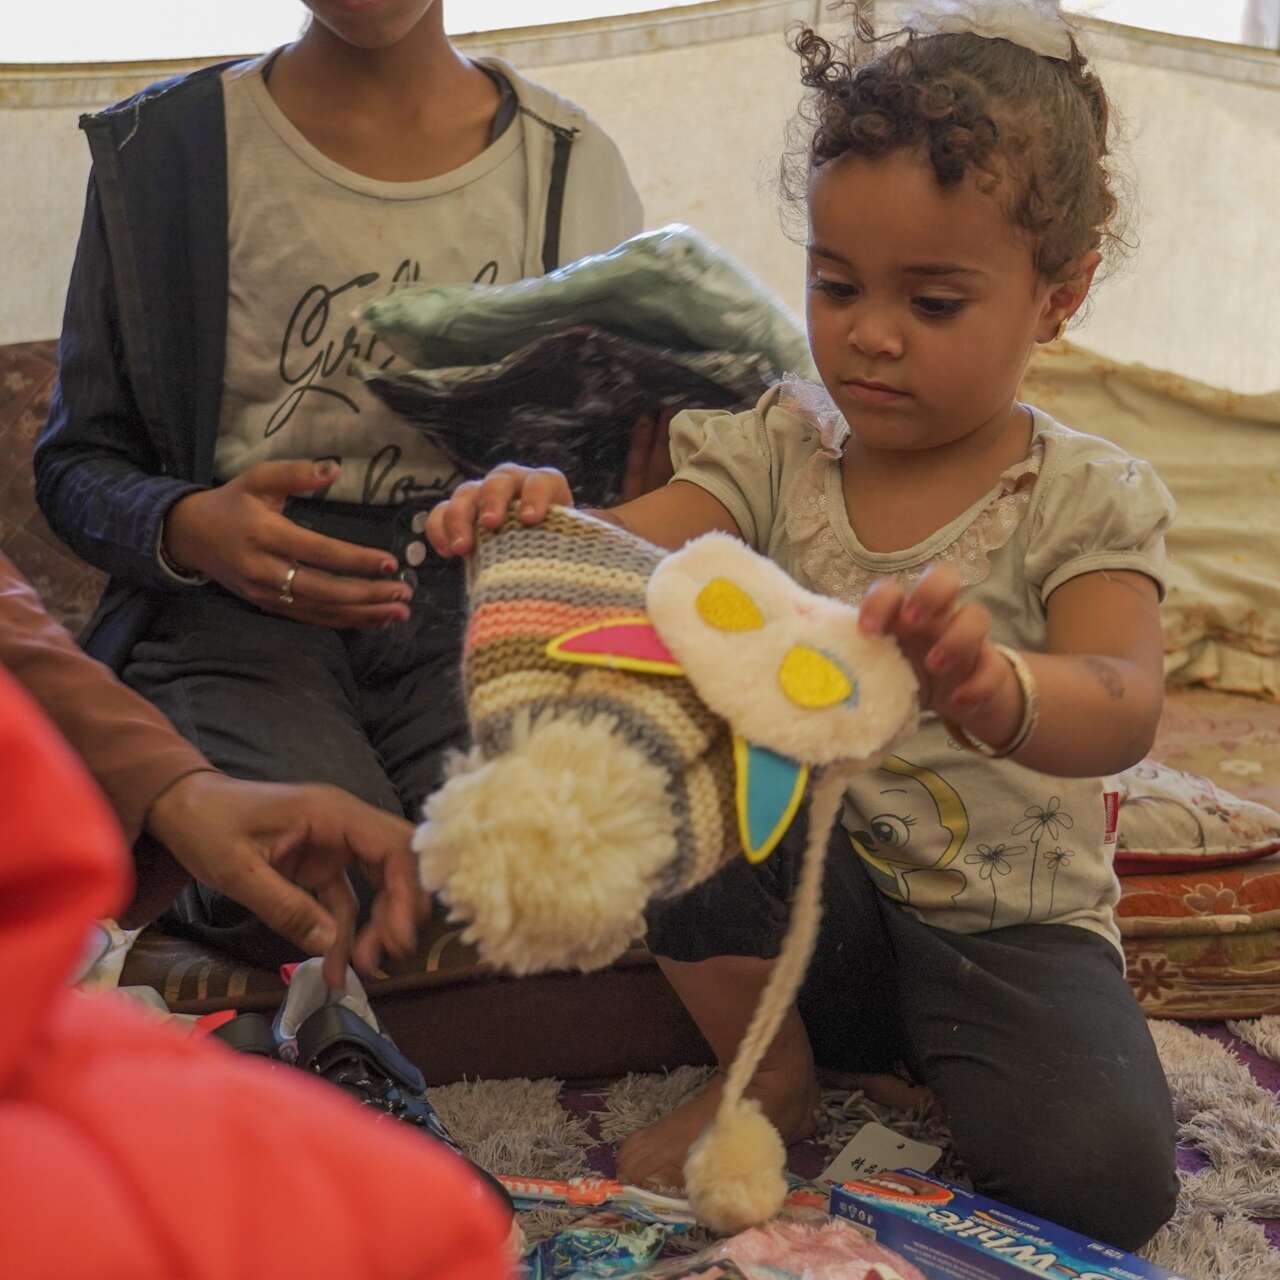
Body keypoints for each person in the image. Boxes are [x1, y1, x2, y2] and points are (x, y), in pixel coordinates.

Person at [424, 1, 1179, 1251]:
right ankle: (769, 1065)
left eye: (931, 301)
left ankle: (900, 1052)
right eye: (834, 285)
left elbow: (1122, 696)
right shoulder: (782, 442)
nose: (867, 333)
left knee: (1106, 1178)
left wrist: (995, 685)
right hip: (806, 906)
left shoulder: (1085, 495)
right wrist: (544, 513)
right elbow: (648, 554)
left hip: (1007, 929)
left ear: (1059, 294)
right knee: (661, 730)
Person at [34, 0, 643, 964]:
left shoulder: (570, 165)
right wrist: (188, 524)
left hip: (479, 622)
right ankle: (181, 889)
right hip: (231, 630)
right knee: (322, 876)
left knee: (533, 882)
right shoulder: (164, 155)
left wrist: (552, 501)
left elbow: (618, 482)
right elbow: (75, 464)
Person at [0, 658, 509, 1280]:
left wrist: (175, 792)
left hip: (430, 628)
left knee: (518, 859)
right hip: (216, 625)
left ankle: (290, 1047)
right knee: (326, 890)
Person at [1, 551, 422, 986]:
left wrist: (176, 790)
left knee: (434, 878)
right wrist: (174, 528)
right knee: (318, 891)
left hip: (430, 616)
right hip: (213, 604)